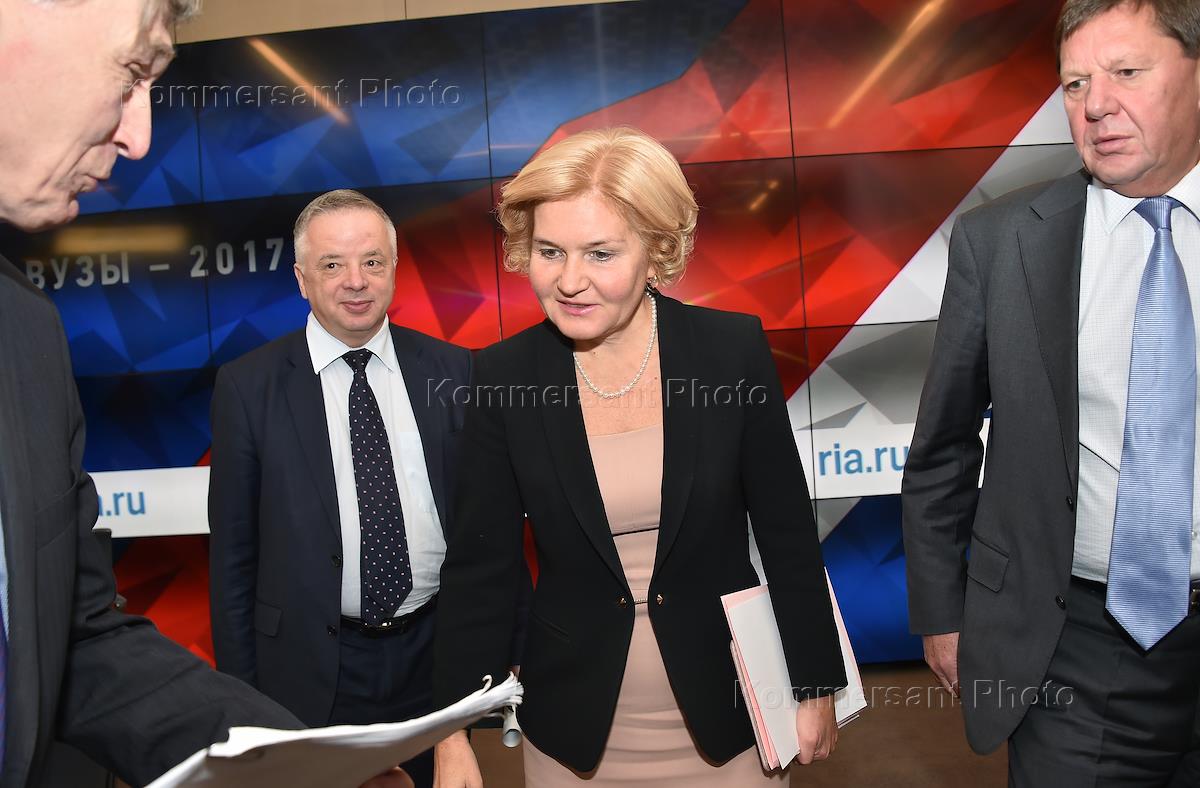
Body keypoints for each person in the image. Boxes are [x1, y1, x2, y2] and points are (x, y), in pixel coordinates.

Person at [0, 1, 410, 786]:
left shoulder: (26, 333)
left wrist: (307, 766)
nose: (139, 136)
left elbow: (75, 642)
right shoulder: (250, 386)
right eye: (132, 71)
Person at [430, 127, 846, 786]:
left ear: (656, 251)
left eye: (600, 253)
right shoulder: (503, 378)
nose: (570, 281)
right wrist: (450, 732)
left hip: (731, 713)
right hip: (573, 731)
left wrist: (815, 681)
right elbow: (481, 570)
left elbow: (787, 532)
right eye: (549, 251)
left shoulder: (728, 351)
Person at [903, 0, 1200, 784]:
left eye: (1126, 72)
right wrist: (941, 613)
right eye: (1074, 84)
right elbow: (942, 446)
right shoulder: (1001, 242)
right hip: (1076, 647)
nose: (1096, 104)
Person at [208, 188, 472, 788]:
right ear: (302, 279)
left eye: (372, 261)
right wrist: (244, 703)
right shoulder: (248, 388)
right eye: (333, 264)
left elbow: (488, 531)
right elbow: (233, 561)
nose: (356, 280)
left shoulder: (456, 371)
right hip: (307, 668)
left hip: (436, 658)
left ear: (395, 269)